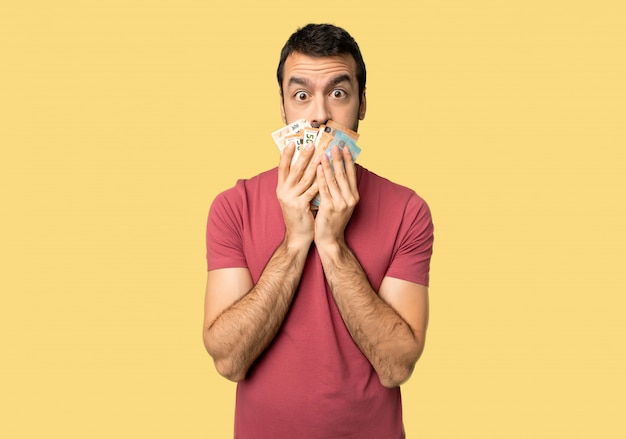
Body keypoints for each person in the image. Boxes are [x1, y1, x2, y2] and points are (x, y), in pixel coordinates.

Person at [203, 23, 434, 438]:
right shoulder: (232, 207)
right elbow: (228, 361)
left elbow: (396, 366)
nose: (319, 114)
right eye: (302, 95)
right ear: (284, 107)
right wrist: (295, 241)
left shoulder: (408, 211)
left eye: (339, 93)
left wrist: (332, 243)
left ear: (362, 104)